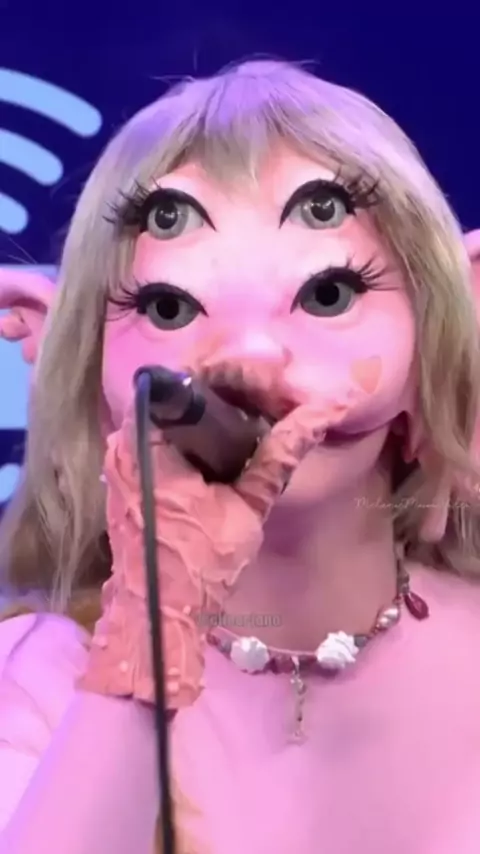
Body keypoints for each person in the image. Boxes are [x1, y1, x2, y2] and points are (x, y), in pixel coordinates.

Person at [0, 59, 479, 854]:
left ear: (443, 336)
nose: (249, 357)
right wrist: (146, 640)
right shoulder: (33, 682)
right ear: (82, 372)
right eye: (167, 306)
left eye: (328, 295)